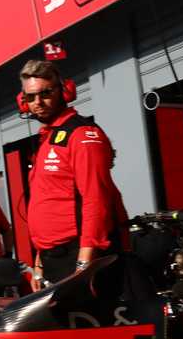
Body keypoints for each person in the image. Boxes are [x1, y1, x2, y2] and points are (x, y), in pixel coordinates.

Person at [20, 59, 127, 287]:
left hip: (79, 256)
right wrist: (39, 262)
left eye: (45, 93)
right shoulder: (48, 138)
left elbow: (95, 199)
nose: (38, 102)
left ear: (64, 91)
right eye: (30, 97)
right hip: (53, 259)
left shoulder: (82, 134)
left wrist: (84, 265)